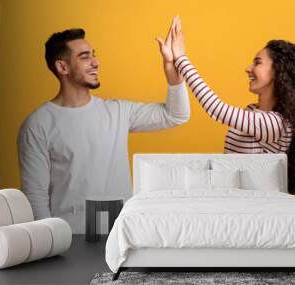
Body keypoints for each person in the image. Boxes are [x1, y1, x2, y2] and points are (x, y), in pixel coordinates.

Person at [18, 25, 190, 233]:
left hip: (121, 235)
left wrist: (173, 73)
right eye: (84, 57)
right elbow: (35, 195)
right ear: (63, 67)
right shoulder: (37, 125)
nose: (95, 62)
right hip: (70, 240)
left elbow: (176, 115)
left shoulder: (118, 112)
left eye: (94, 55)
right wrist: (48, 242)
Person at [168, 16, 295, 195]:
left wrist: (181, 58)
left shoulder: (275, 124)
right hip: (235, 200)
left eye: (258, 62)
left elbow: (216, 109)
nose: (248, 68)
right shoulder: (253, 111)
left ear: (278, 72)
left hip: (252, 205)